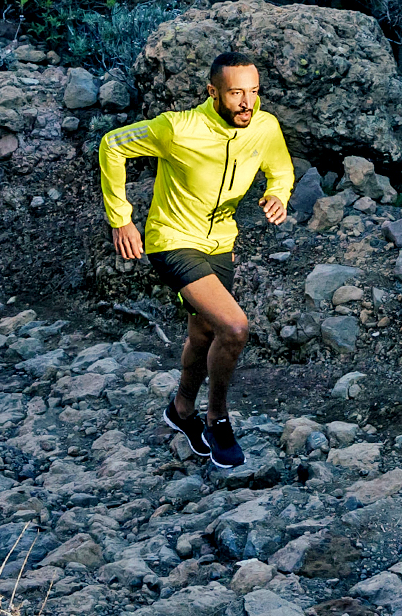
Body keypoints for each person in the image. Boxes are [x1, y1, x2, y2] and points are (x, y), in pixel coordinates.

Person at [99, 51, 294, 468]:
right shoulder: (177, 128)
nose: (247, 103)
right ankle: (217, 418)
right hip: (171, 238)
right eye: (237, 93)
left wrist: (279, 194)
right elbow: (112, 146)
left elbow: (281, 169)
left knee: (205, 334)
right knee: (235, 327)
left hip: (221, 241)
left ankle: (180, 410)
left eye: (254, 92)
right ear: (213, 91)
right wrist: (121, 218)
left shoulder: (264, 126)